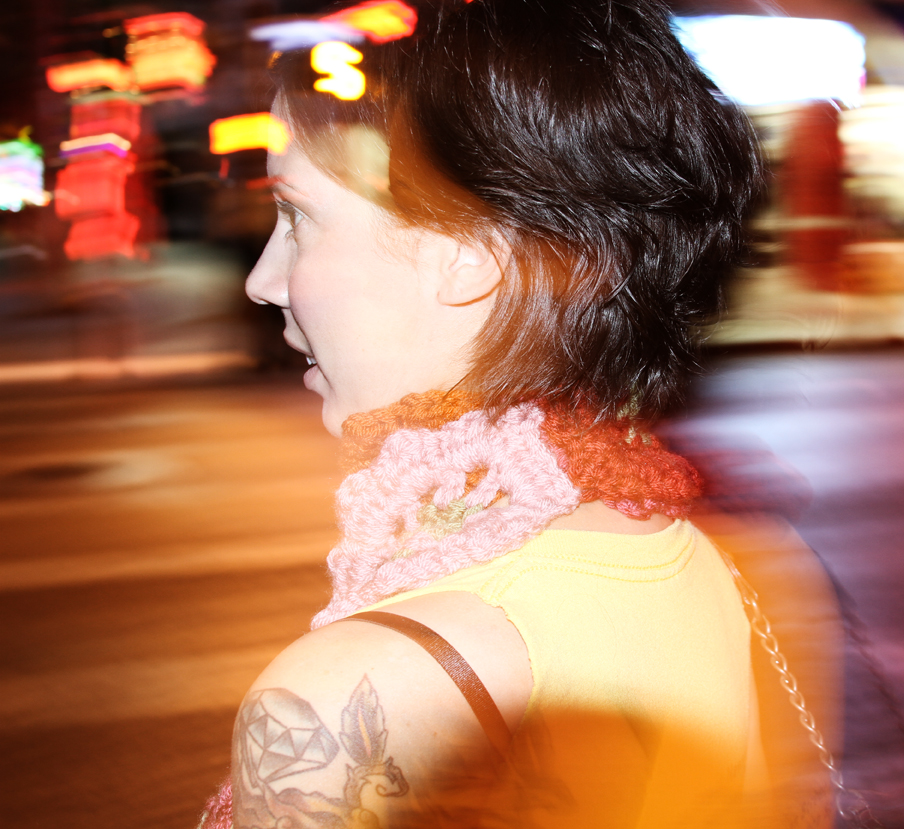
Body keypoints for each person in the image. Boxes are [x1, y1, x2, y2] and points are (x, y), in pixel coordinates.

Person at [197, 1, 815, 826]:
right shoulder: (703, 555)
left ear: (468, 256)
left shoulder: (353, 697)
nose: (263, 279)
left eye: (298, 216)